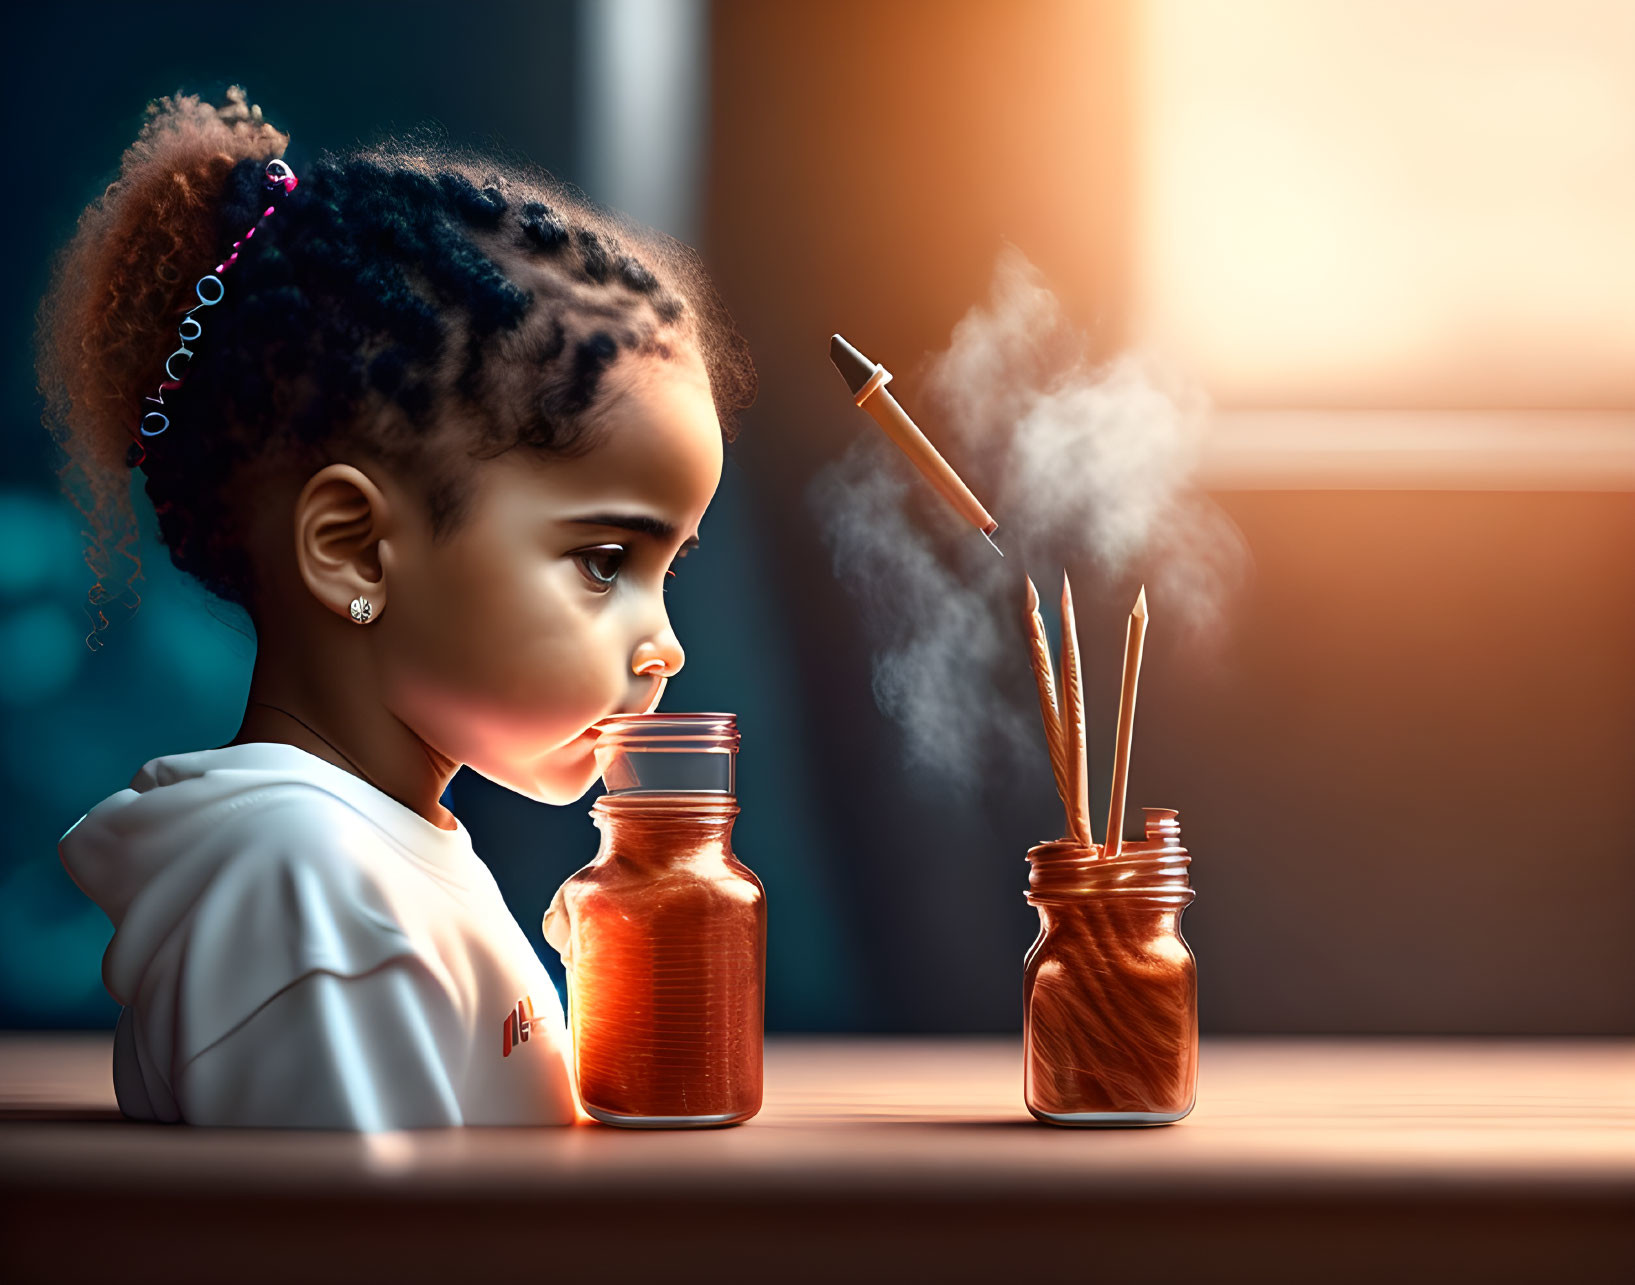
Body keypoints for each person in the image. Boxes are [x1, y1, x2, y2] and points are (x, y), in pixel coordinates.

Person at [39, 87, 755, 1130]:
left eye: (667, 571)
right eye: (604, 561)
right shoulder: (309, 896)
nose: (666, 648)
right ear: (354, 550)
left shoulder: (370, 859)